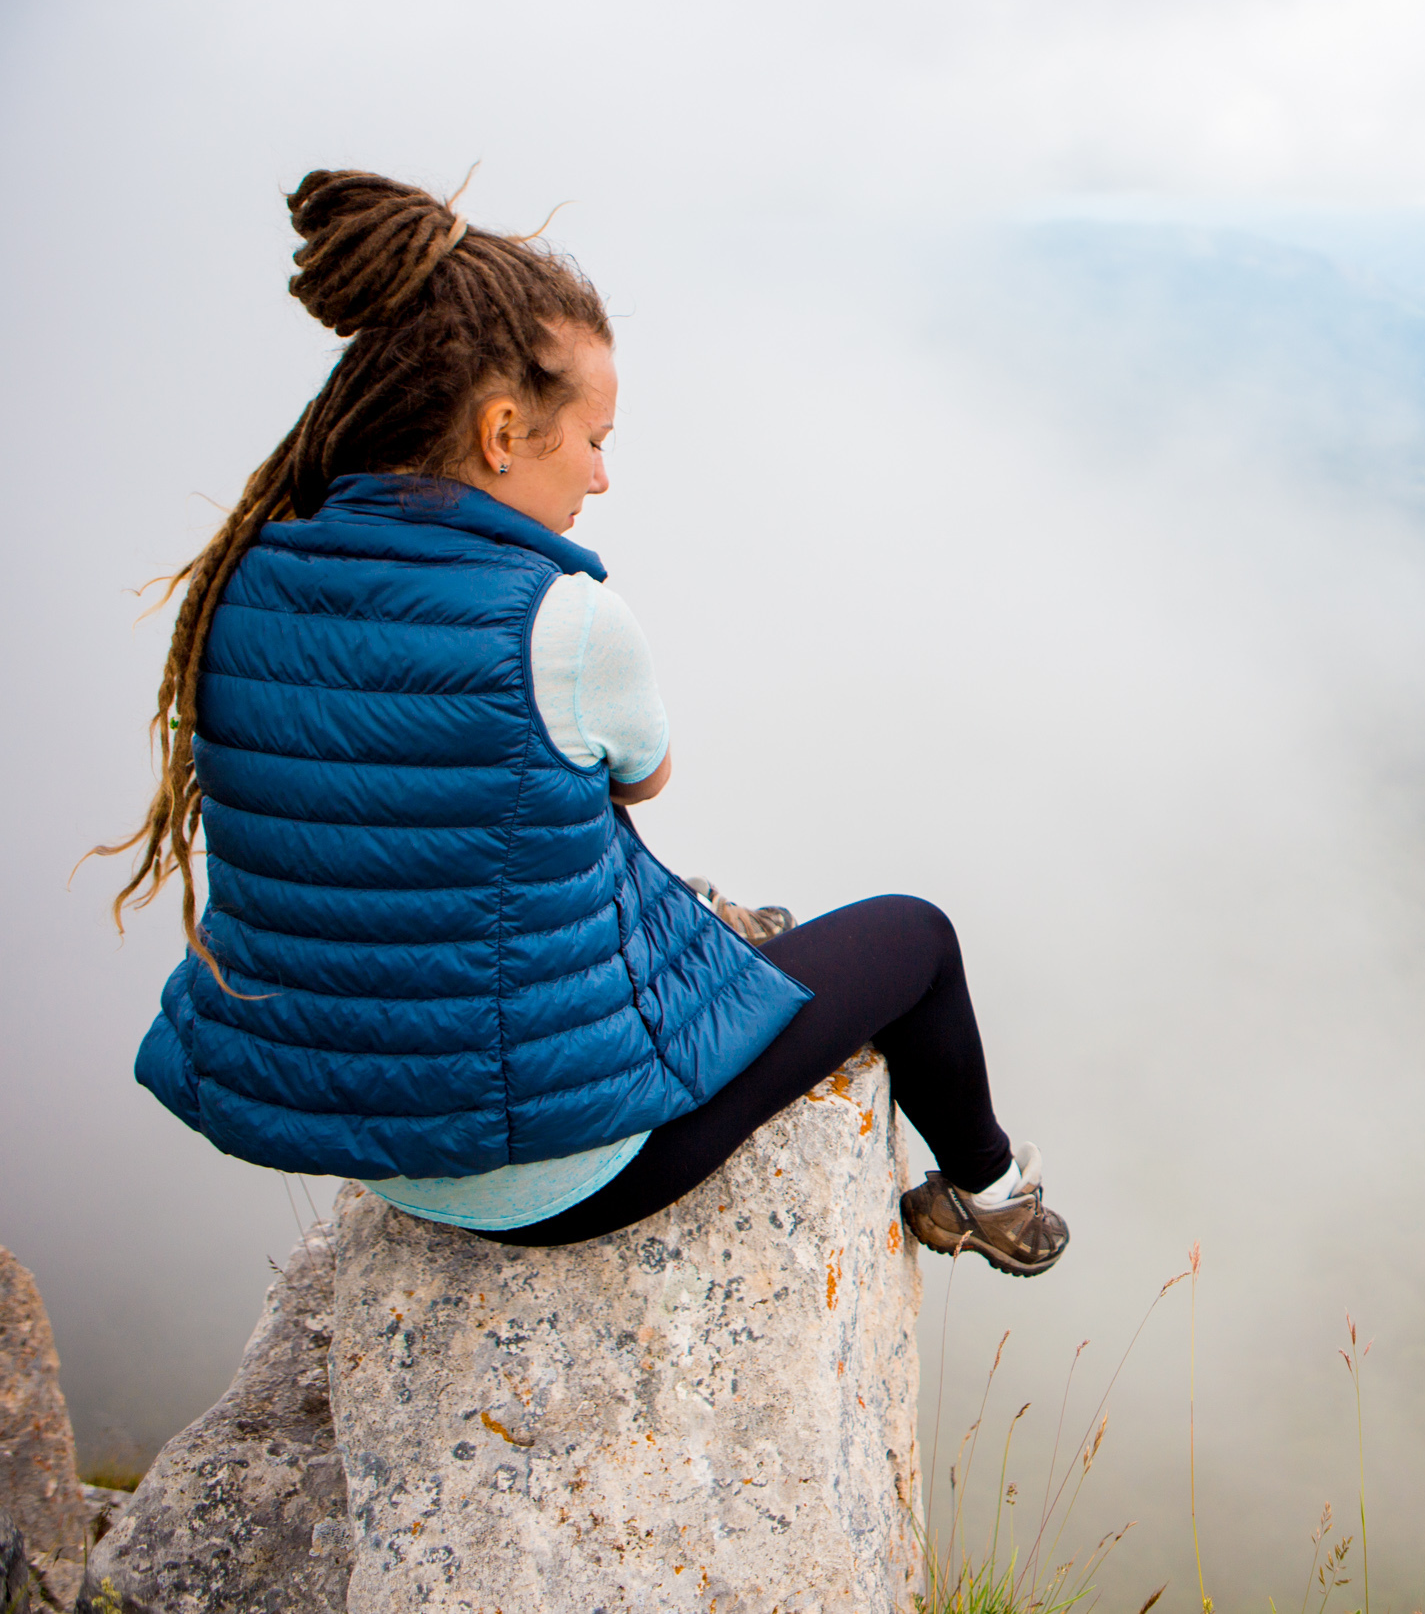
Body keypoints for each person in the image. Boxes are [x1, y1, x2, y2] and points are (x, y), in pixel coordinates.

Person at [94, 169, 1066, 1276]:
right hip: (556, 1170)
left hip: (359, 1132)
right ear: (505, 430)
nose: (602, 475)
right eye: (591, 438)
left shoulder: (246, 577)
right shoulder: (561, 619)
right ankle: (991, 1194)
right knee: (916, 936)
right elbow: (641, 776)